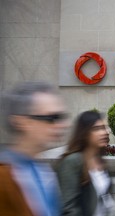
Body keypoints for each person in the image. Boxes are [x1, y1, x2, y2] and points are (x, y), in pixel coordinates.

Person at [0, 81, 68, 216]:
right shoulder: (4, 177)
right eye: (51, 118)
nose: (62, 125)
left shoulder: (45, 171)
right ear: (21, 122)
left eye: (61, 117)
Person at [56, 111, 115, 216]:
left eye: (105, 128)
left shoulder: (100, 161)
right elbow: (69, 208)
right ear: (85, 133)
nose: (105, 132)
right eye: (97, 129)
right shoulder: (72, 162)